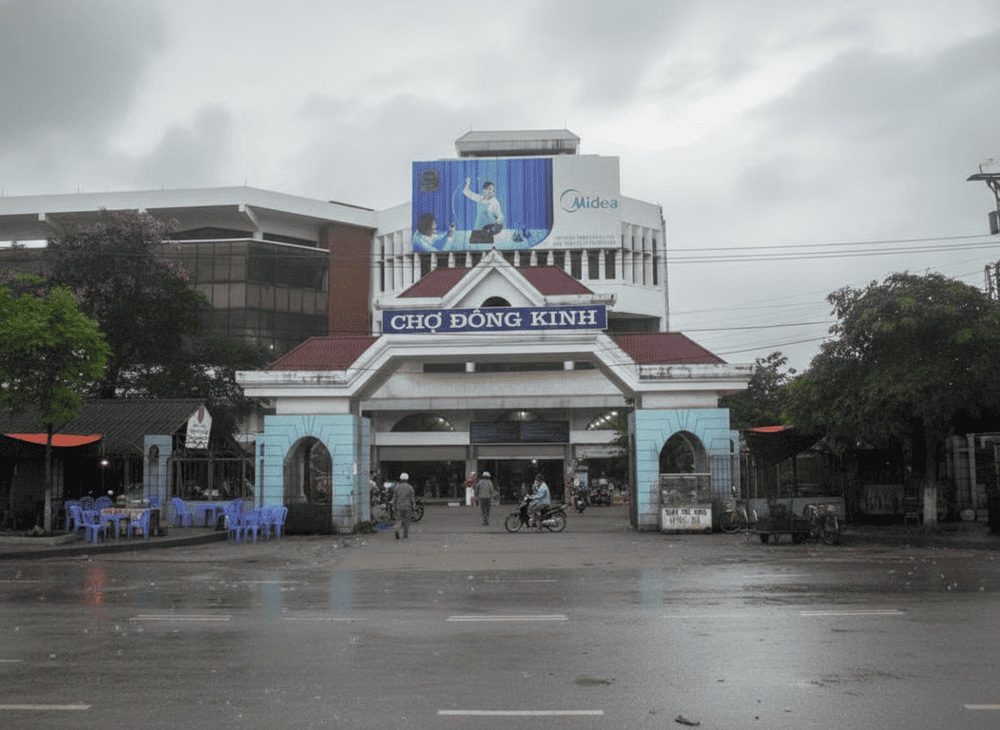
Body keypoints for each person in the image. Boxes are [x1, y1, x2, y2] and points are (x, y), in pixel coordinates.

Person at [463, 177, 504, 242]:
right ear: (484, 190)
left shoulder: (495, 202)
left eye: (493, 190)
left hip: (488, 230)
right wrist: (467, 183)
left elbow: (500, 215)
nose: (492, 191)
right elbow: (466, 192)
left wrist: (498, 220)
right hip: (478, 228)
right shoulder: (480, 198)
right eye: (490, 189)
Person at [392, 472, 416, 539]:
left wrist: (394, 506)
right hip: (407, 506)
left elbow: (394, 498)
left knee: (399, 519)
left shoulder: (397, 488)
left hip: (399, 506)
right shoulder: (410, 488)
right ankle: (405, 534)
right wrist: (414, 506)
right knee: (407, 521)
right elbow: (412, 498)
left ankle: (397, 529)